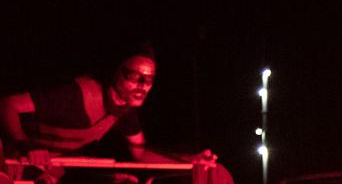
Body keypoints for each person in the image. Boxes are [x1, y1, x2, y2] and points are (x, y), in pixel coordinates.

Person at [1, 51, 215, 169]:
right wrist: (25, 146)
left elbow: (140, 152)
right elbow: (8, 104)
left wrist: (189, 160)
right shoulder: (78, 94)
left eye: (149, 80)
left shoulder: (126, 111)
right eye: (135, 77)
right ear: (117, 74)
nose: (143, 85)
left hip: (42, 169)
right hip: (11, 158)